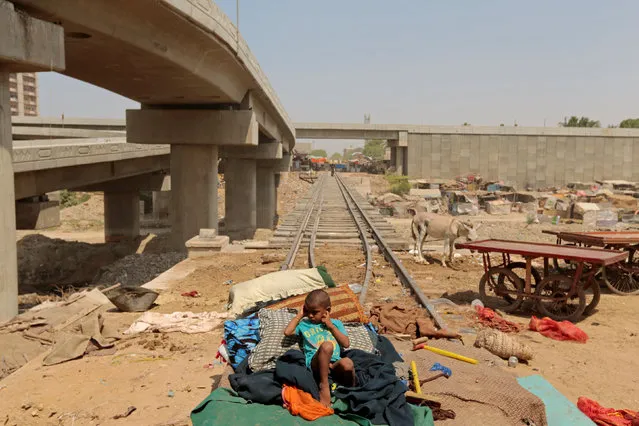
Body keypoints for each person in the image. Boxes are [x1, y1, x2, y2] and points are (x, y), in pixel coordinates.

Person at [284, 289, 355, 407]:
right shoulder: (304, 324)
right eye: (308, 311)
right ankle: (324, 385)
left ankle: (350, 390)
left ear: (327, 311)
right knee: (327, 346)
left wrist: (331, 326)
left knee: (348, 363)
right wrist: (300, 315)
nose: (310, 315)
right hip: (316, 363)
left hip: (333, 364)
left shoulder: (335, 324)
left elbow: (346, 344)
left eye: (315, 312)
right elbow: (287, 332)